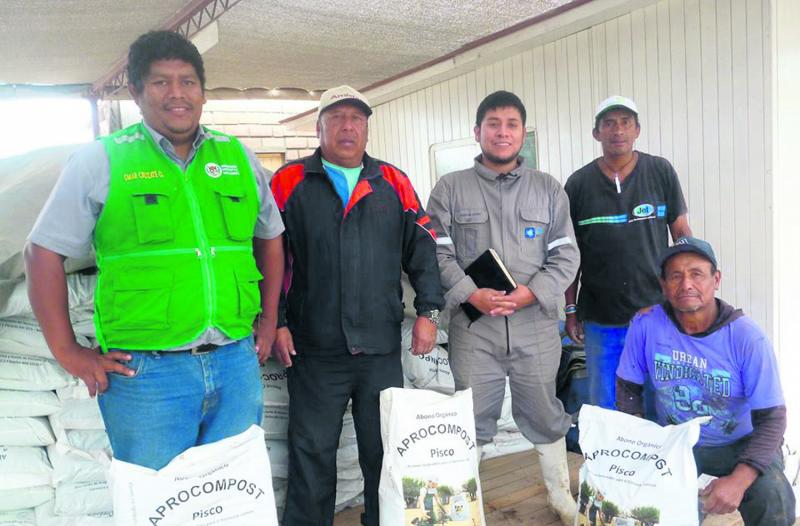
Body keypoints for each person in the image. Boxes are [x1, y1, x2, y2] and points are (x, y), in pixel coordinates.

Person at [24, 30, 285, 470]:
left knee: (233, 498)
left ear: (203, 92)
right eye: (161, 82)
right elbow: (42, 253)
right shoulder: (102, 160)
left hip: (234, 362)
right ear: (136, 92)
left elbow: (271, 236)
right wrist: (68, 350)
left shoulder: (237, 156)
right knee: (156, 502)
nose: (177, 94)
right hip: (147, 374)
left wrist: (270, 318)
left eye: (187, 81)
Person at [270, 85, 444, 526]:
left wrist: (428, 312)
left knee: (383, 450)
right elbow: (267, 257)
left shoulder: (394, 182)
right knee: (312, 451)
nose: (348, 127)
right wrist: (276, 322)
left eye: (357, 119)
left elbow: (423, 252)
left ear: (367, 128)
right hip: (314, 348)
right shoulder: (289, 181)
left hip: (379, 346)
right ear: (319, 127)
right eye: (337, 118)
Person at [426, 90, 580, 525]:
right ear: (478, 132)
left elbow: (567, 255)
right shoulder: (450, 188)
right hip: (475, 329)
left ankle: (560, 498)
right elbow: (435, 252)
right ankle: (463, 507)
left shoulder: (547, 188)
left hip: (534, 325)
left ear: (522, 134)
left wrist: (534, 292)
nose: (502, 132)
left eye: (512, 124)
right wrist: (469, 291)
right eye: (493, 123)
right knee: (470, 417)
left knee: (544, 412)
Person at [616, 236, 795, 525]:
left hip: (738, 442)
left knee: (773, 493)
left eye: (697, 274)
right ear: (663, 285)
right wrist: (639, 449)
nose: (686, 283)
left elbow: (773, 418)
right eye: (676, 275)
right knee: (634, 501)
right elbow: (627, 390)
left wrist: (739, 479)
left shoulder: (747, 338)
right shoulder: (646, 324)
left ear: (716, 279)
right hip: (676, 440)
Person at [564, 95, 692, 412]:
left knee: (661, 403)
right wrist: (570, 309)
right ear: (597, 133)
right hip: (601, 320)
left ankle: (656, 463)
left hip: (657, 316)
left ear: (637, 130)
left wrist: (689, 295)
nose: (617, 130)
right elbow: (569, 255)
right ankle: (610, 463)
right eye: (609, 124)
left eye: (625, 123)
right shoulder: (578, 184)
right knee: (605, 405)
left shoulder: (660, 171)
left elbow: (682, 236)